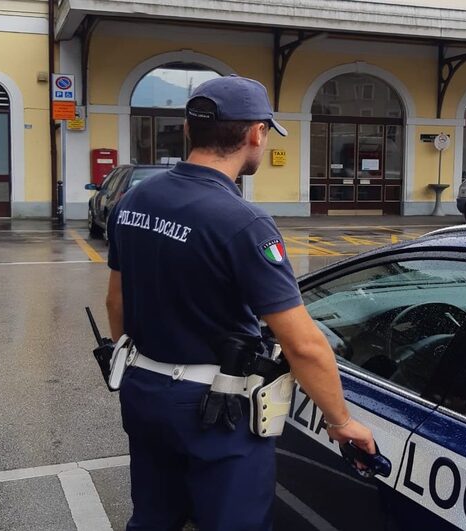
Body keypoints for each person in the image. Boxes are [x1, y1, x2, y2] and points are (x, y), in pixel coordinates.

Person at [105, 76, 375, 531]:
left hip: (143, 391)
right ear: (255, 133)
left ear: (190, 131)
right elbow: (302, 343)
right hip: (216, 410)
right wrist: (341, 421)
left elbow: (116, 301)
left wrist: (140, 365)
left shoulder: (135, 198)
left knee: (153, 517)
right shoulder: (243, 222)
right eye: (266, 133)